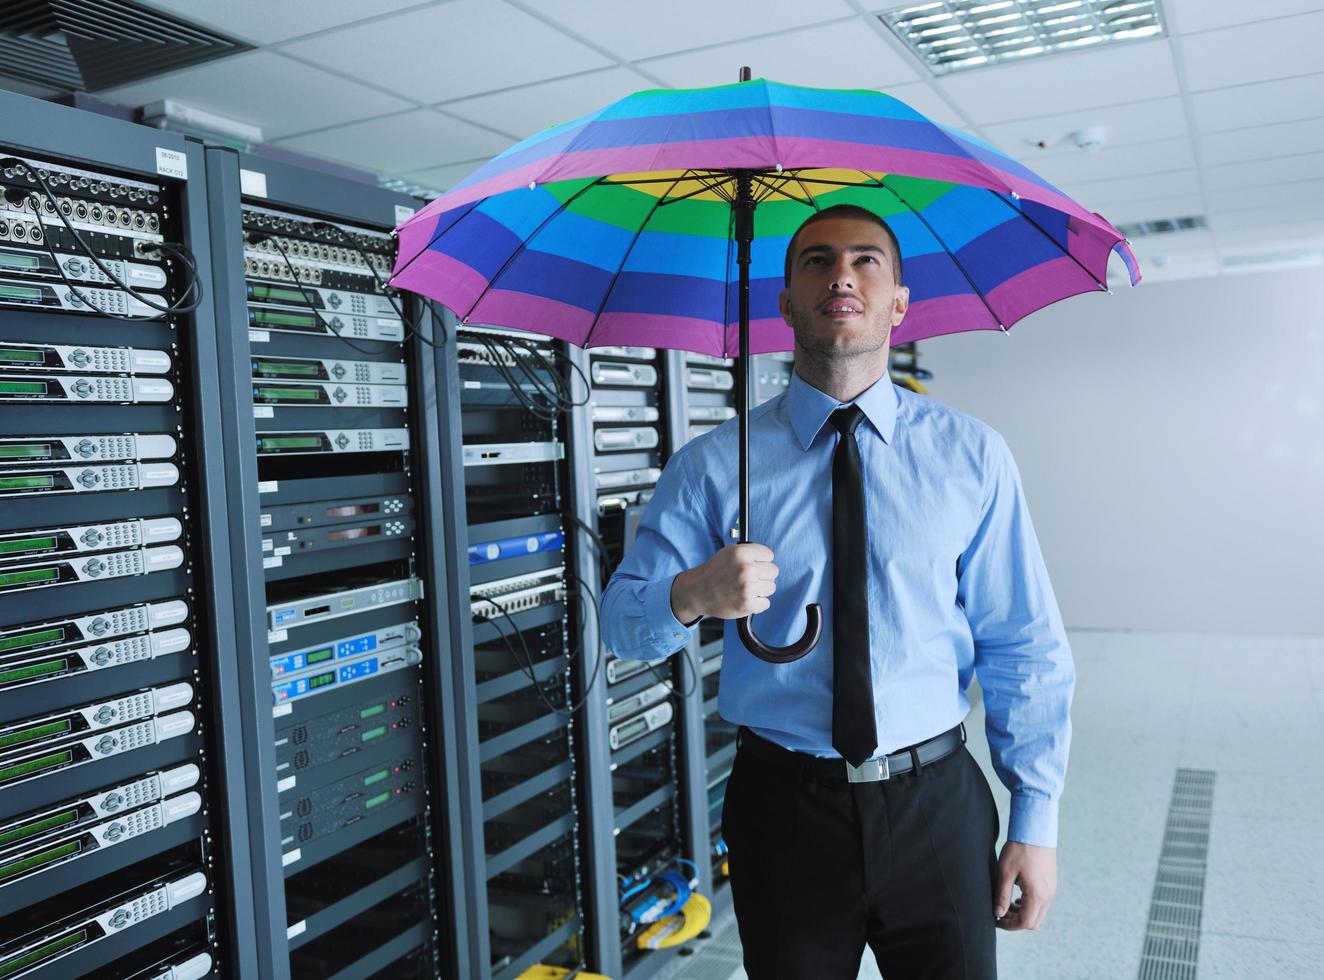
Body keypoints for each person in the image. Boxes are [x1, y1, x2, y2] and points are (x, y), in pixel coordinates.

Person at [600, 203, 1074, 979]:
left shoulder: (971, 457)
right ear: (785, 303)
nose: (841, 276)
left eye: (865, 261)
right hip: (783, 808)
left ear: (898, 303)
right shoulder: (715, 466)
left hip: (937, 801)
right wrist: (690, 594)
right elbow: (622, 626)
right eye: (816, 262)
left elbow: (1024, 643)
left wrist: (1036, 820)